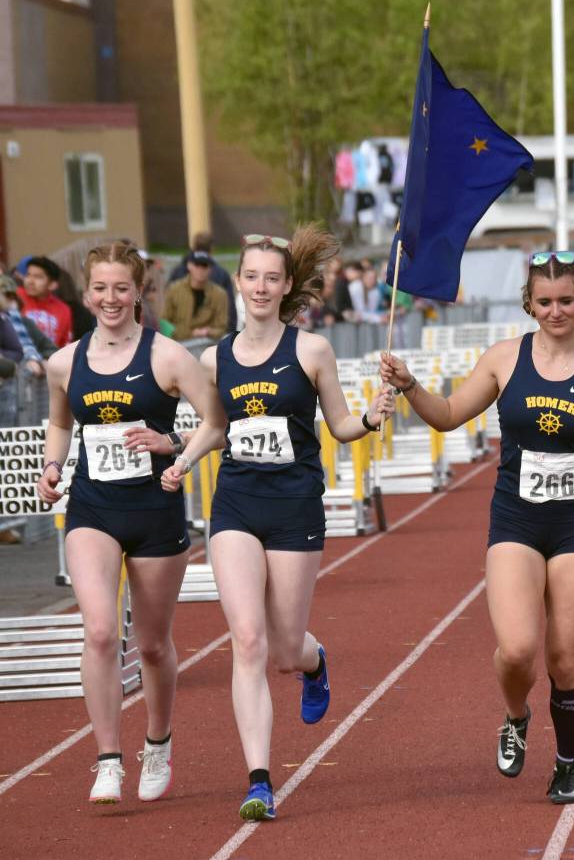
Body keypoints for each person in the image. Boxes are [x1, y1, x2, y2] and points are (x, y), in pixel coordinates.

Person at [380, 250, 574, 805]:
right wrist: (411, 385)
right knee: (516, 649)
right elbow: (447, 415)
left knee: (565, 658)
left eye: (566, 301)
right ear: (529, 304)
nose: (556, 311)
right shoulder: (504, 359)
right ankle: (516, 716)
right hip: (516, 518)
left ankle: (567, 765)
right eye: (545, 302)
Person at [161, 227, 393, 822]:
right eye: (251, 277)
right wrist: (183, 461)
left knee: (286, 650)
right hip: (236, 506)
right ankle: (259, 781)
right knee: (247, 639)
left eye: (271, 278)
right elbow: (216, 427)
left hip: (294, 508)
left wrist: (370, 418)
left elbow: (339, 425)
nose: (261, 287)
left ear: (287, 284)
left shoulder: (311, 351)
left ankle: (315, 664)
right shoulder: (214, 358)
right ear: (237, 283)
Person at [34, 241, 225, 804]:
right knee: (99, 631)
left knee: (153, 645)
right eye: (101, 288)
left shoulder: (169, 357)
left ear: (139, 291)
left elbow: (217, 422)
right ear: (87, 292)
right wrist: (51, 466)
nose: (111, 298)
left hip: (154, 510)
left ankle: (158, 742)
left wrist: (173, 445)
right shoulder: (64, 362)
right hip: (92, 509)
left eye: (122, 287)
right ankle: (107, 759)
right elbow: (61, 425)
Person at [168, 231, 238, 332]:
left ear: (193, 247)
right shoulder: (221, 274)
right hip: (212, 334)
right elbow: (229, 310)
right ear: (212, 249)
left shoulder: (177, 272)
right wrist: (229, 333)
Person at [161, 250, 229, 342]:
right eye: (197, 265)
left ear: (210, 269)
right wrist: (190, 333)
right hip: (177, 343)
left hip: (205, 345)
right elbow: (164, 322)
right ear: (189, 266)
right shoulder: (173, 290)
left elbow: (221, 327)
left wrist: (207, 332)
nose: (200, 270)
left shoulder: (220, 295)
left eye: (204, 266)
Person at [18, 256, 73, 347]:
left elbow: (65, 345)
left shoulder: (63, 310)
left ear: (52, 285)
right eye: (28, 275)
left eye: (38, 277)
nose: (30, 281)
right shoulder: (16, 296)